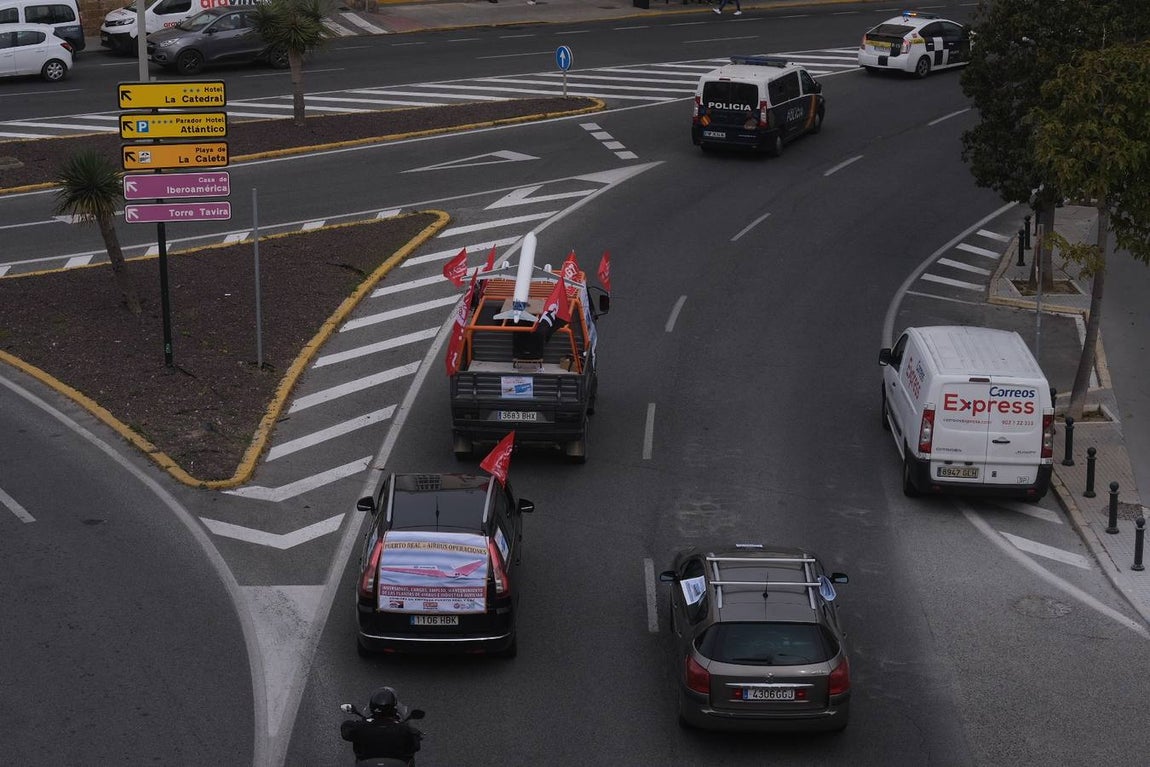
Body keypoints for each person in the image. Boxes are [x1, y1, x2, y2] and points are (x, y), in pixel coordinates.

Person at [340, 687, 422, 764]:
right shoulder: (404, 730)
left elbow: (346, 731)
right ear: (394, 708)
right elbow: (415, 747)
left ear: (371, 707)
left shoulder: (360, 728)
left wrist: (359, 723)